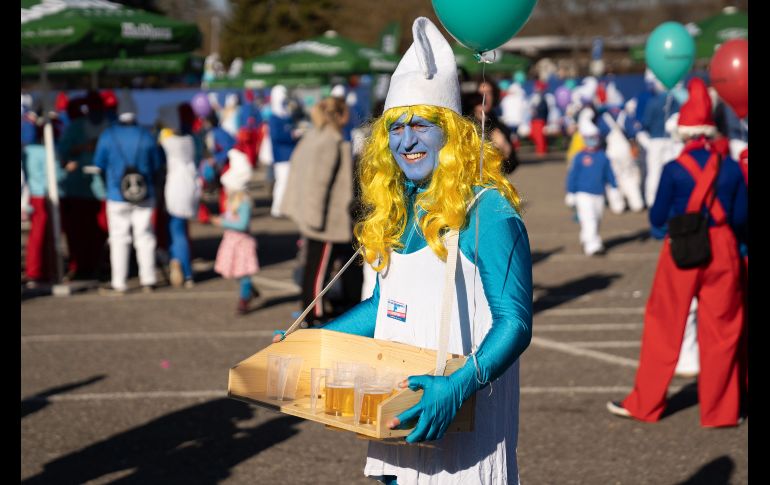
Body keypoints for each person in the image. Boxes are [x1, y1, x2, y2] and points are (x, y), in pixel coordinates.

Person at [275, 17, 532, 484]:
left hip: (464, 432)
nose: (406, 141)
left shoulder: (490, 211)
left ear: (451, 132)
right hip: (400, 416)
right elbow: (383, 307)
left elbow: (514, 322)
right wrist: (310, 345)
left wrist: (456, 387)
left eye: (421, 126)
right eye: (395, 128)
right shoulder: (398, 209)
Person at [607, 77, 748, 428]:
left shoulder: (673, 169)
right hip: (724, 248)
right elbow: (743, 215)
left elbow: (657, 216)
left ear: (683, 131)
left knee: (664, 327)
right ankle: (722, 412)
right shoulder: (730, 168)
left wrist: (669, 225)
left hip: (683, 247)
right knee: (722, 332)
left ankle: (646, 404)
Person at [280, 96, 361, 325]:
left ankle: (318, 311)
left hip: (319, 215)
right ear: (340, 115)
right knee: (318, 271)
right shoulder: (331, 140)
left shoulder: (316, 135)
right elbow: (320, 182)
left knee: (316, 267)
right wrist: (316, 220)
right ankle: (313, 315)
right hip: (326, 219)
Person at [93, 94, 164, 294]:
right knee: (145, 237)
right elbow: (157, 164)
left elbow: (99, 164)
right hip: (145, 192)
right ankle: (148, 279)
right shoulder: (146, 135)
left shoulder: (108, 135)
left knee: (118, 237)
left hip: (116, 193)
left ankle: (119, 281)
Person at [212, 149, 260, 315]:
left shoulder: (244, 201)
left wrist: (223, 221)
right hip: (232, 242)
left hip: (242, 243)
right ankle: (247, 289)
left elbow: (242, 224)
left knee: (243, 272)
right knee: (236, 271)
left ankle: (244, 299)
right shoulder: (232, 199)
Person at [159, 103, 202, 288]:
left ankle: (184, 270)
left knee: (176, 231)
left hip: (176, 188)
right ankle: (183, 267)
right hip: (190, 186)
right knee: (181, 229)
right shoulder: (192, 140)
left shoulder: (169, 142)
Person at [565, 115, 617, 256]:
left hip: (599, 194)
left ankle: (586, 238)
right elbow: (572, 176)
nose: (592, 139)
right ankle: (593, 246)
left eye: (594, 136)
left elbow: (609, 174)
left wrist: (614, 189)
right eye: (589, 137)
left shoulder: (603, 156)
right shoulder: (579, 156)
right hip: (583, 194)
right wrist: (570, 193)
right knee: (590, 219)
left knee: (597, 219)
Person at [267, 85, 301, 217]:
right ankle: (277, 208)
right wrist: (291, 135)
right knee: (282, 182)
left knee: (288, 183)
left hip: (290, 153)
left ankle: (285, 207)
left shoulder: (285, 115)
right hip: (281, 155)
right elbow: (276, 136)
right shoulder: (274, 117)